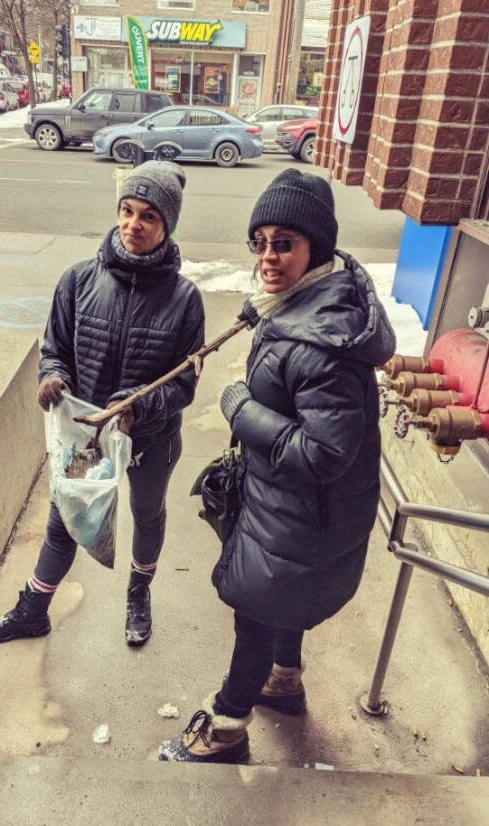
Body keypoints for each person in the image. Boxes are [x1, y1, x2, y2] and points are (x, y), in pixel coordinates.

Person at [159, 168, 396, 764]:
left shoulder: (323, 343)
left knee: (257, 611)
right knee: (281, 599)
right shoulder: (303, 304)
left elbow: (323, 453)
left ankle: (227, 729)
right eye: (259, 241)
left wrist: (240, 409)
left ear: (316, 246)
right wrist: (266, 313)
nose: (267, 255)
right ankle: (284, 683)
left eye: (283, 243)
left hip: (303, 517)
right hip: (296, 513)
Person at [0, 161, 205, 647]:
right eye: (126, 210)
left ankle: (138, 593)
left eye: (148, 216)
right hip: (88, 436)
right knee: (65, 521)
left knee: (147, 515)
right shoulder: (78, 281)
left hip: (150, 438)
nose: (133, 225)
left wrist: (139, 407)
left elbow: (184, 384)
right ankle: (34, 609)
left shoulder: (185, 300)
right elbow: (53, 348)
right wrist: (52, 376)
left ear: (167, 226)